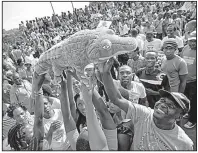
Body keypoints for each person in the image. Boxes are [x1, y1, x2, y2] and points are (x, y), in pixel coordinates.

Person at [98, 57, 193, 150]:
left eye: (171, 106)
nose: (163, 105)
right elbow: (117, 99)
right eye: (162, 100)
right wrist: (105, 72)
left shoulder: (183, 144)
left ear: (179, 117)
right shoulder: (145, 114)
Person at [180, 31, 197, 129]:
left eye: (195, 41)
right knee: (187, 99)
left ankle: (193, 120)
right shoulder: (185, 48)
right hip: (185, 80)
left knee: (195, 101)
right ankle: (189, 113)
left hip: (195, 81)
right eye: (191, 41)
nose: (193, 43)